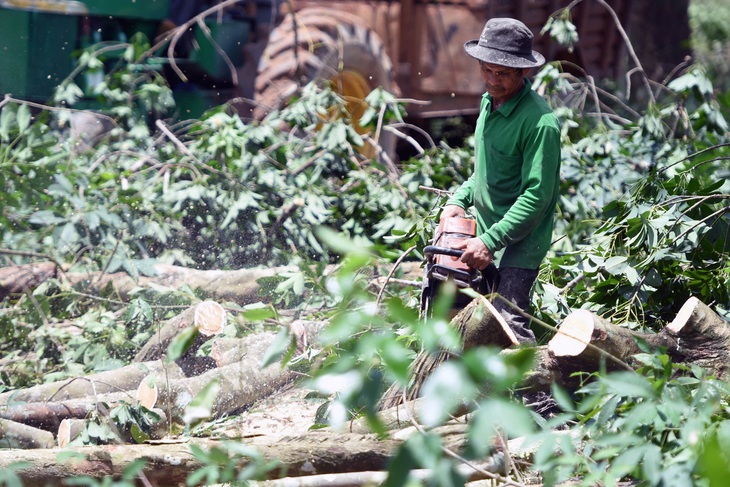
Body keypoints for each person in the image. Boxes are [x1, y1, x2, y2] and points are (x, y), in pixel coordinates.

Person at [441, 17, 561, 344]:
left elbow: (536, 197)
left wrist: (490, 242)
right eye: (486, 70)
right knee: (457, 307)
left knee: (510, 322)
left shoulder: (540, 123)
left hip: (519, 242)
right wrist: (458, 200)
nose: (492, 81)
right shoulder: (489, 102)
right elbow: (485, 171)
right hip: (484, 227)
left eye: (502, 74)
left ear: (523, 72)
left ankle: (540, 394)